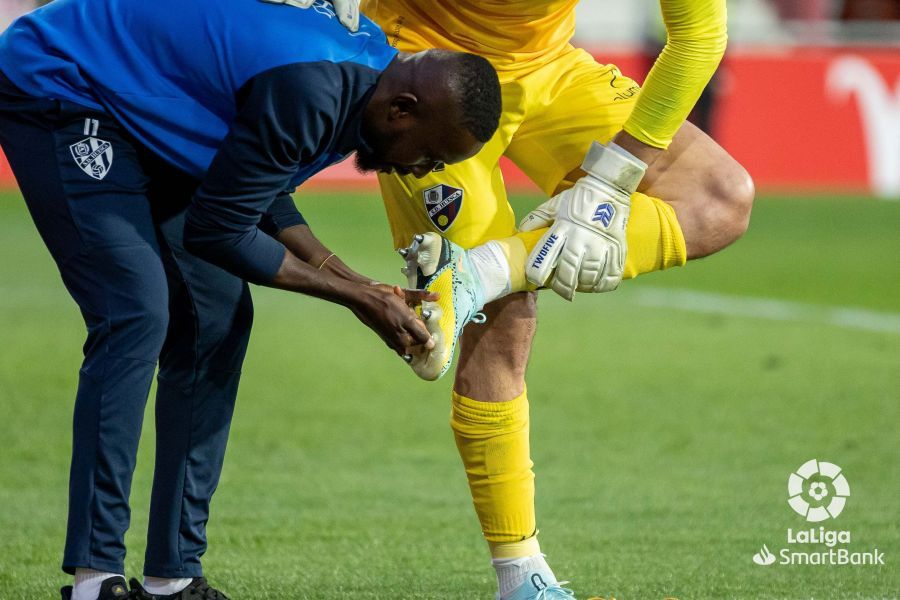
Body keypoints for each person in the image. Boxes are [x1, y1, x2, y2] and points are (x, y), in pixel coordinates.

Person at [0, 0, 501, 598]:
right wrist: (353, 298)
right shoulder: (316, 86)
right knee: (136, 311)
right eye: (432, 153)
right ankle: (95, 578)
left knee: (218, 318)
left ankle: (172, 578)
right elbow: (220, 228)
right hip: (65, 81)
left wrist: (361, 285)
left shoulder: (365, 89)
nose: (422, 169)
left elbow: (255, 190)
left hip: (141, 105)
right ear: (403, 110)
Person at [360, 0, 755, 598]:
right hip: (428, 70)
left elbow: (698, 35)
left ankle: (485, 270)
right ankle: (521, 580)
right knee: (504, 321)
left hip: (549, 65)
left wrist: (609, 180)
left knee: (720, 196)